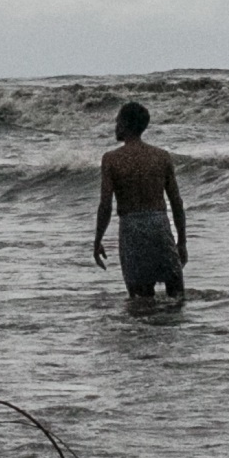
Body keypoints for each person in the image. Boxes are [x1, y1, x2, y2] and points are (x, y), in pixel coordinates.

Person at [90, 101, 187, 306]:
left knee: (140, 301)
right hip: (159, 226)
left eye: (117, 121)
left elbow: (105, 205)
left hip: (131, 230)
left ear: (125, 124)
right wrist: (182, 242)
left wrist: (97, 241)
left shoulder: (111, 159)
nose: (115, 126)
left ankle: (144, 326)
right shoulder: (161, 156)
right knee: (176, 295)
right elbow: (176, 202)